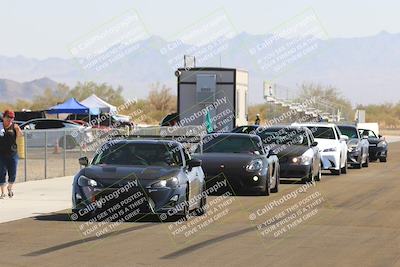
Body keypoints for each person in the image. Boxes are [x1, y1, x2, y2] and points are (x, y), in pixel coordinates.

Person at [0, 110, 23, 198]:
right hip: (1, 154)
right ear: (4, 117)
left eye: (12, 118)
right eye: (8, 117)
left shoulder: (14, 126)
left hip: (12, 153)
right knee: (1, 172)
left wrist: (18, 130)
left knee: (12, 173)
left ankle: (9, 188)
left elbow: (20, 136)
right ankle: (2, 192)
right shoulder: (0, 126)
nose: (10, 119)